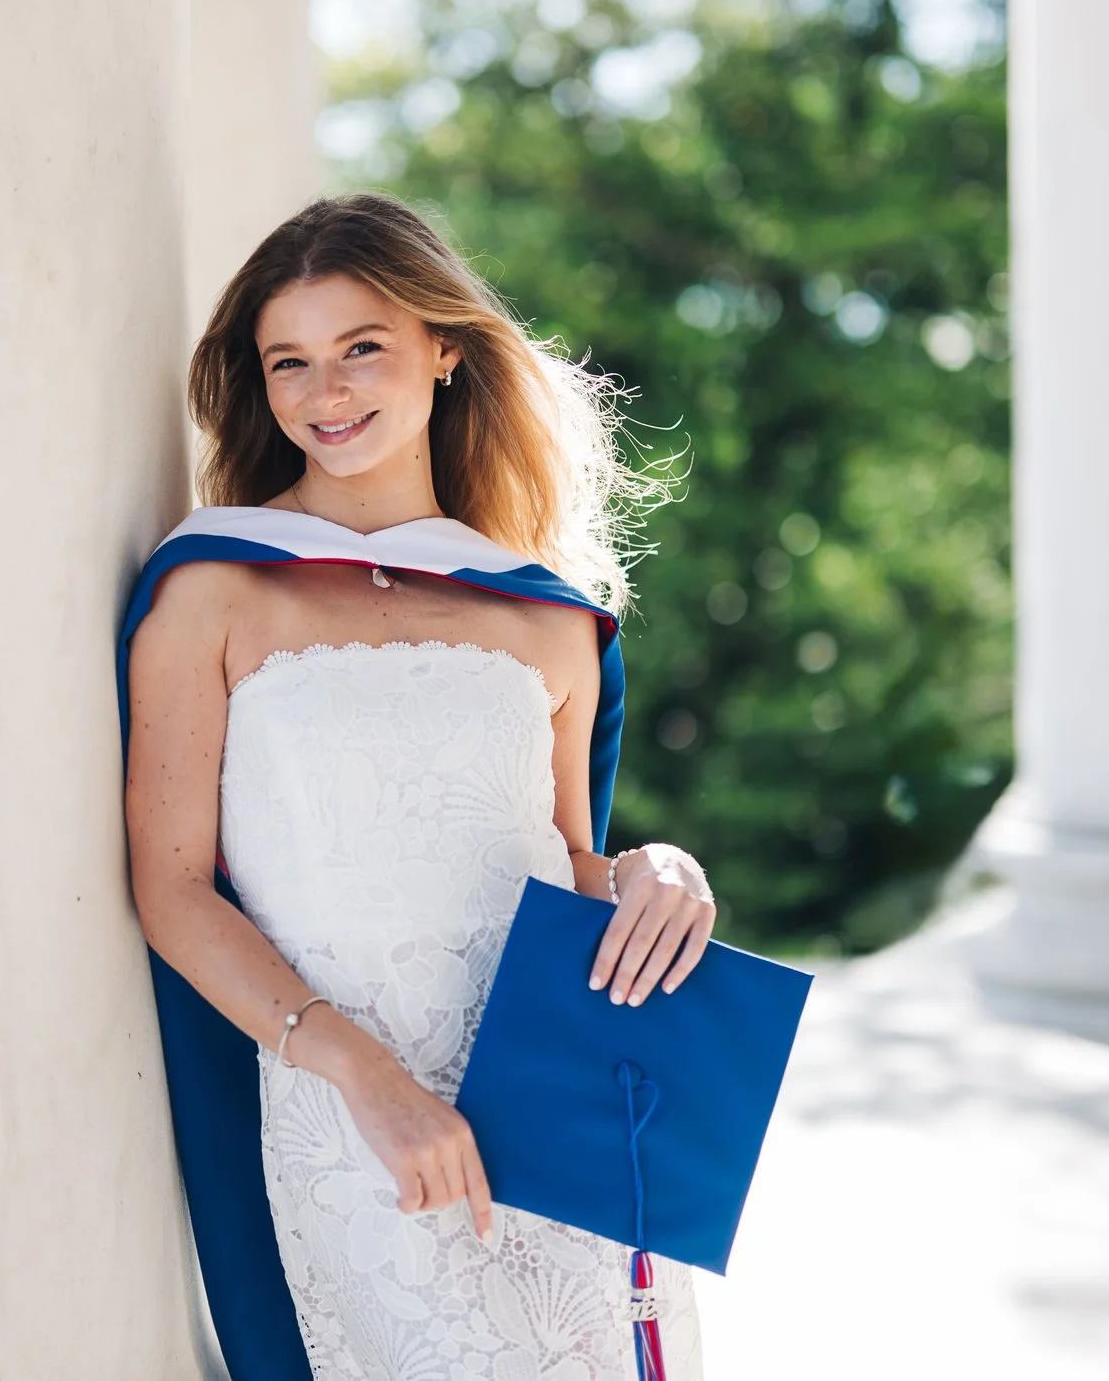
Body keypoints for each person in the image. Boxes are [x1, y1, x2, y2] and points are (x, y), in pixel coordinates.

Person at [123, 191, 717, 1379]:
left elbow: (560, 860)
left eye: (361, 348)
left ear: (444, 349)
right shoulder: (214, 588)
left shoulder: (543, 610)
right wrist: (360, 1073)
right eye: (289, 361)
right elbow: (173, 886)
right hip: (349, 1114)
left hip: (552, 1107)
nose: (324, 392)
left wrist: (659, 868)